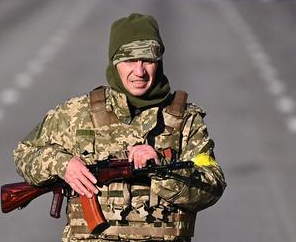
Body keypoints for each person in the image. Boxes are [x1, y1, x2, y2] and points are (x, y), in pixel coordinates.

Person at [13, 13, 226, 241]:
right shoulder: (75, 113)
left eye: (148, 61)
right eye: (129, 61)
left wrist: (163, 168)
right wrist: (61, 164)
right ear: (114, 63)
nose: (140, 71)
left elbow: (212, 185)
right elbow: (24, 154)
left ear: (159, 62)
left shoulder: (186, 119)